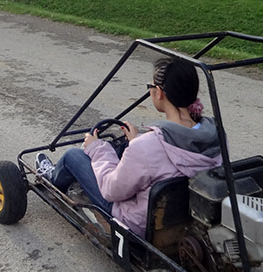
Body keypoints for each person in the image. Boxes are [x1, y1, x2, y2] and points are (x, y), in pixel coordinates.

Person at [35, 57, 223, 235]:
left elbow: (111, 190)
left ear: (158, 92)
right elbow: (166, 158)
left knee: (73, 156)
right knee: (122, 151)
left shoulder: (147, 145)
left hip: (136, 222)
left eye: (150, 87)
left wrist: (97, 148)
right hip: (183, 217)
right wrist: (136, 142)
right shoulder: (214, 134)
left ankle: (51, 178)